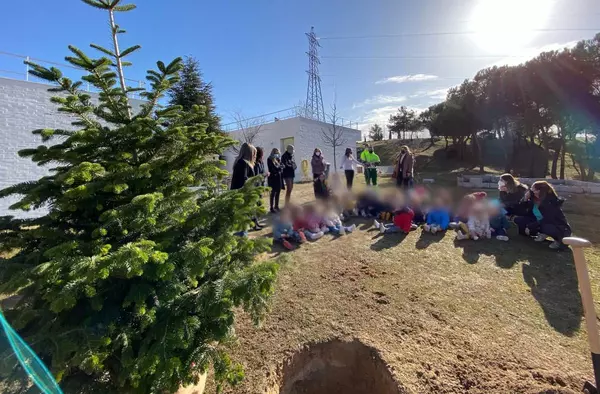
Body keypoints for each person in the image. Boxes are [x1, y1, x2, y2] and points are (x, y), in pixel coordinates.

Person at [514, 181, 572, 250]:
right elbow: (520, 211)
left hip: (558, 226)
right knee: (519, 220)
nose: (531, 191)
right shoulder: (534, 200)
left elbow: (547, 219)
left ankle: (558, 241)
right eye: (531, 189)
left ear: (540, 191)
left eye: (533, 189)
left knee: (545, 226)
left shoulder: (550, 202)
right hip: (539, 222)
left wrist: (531, 226)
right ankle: (539, 234)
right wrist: (525, 199)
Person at [230, 143, 263, 232]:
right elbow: (244, 180)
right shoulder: (243, 163)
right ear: (249, 153)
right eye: (254, 154)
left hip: (243, 195)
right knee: (242, 222)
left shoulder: (240, 162)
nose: (255, 156)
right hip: (243, 197)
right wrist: (256, 179)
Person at [267, 148, 285, 213]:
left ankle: (276, 206)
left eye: (277, 153)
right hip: (272, 178)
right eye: (275, 153)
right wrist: (280, 167)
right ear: (272, 153)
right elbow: (274, 168)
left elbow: (282, 166)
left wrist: (280, 167)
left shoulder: (278, 159)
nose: (277, 154)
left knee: (278, 192)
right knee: (273, 193)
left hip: (278, 177)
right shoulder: (269, 159)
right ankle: (271, 208)